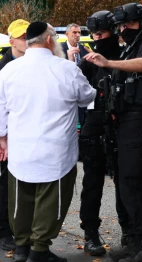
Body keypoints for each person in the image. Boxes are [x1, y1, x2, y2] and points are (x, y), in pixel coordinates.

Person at [0, 21, 95, 262]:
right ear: (50, 40)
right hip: (56, 152)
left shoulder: (8, 71)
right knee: (51, 202)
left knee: (21, 201)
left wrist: (2, 137)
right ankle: (39, 250)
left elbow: (0, 110)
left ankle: (22, 248)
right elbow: (87, 97)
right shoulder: (66, 69)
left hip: (21, 151)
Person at [84, 3, 142, 261]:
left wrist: (110, 62)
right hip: (122, 124)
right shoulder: (130, 46)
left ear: (141, 23)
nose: (123, 29)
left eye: (127, 24)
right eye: (120, 25)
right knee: (125, 184)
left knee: (131, 183)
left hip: (140, 122)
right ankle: (133, 241)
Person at [77, 10, 126, 256]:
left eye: (102, 33)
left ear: (113, 31)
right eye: (94, 33)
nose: (98, 37)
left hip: (122, 123)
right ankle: (90, 233)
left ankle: (128, 231)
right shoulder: (87, 61)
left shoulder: (125, 54)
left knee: (125, 182)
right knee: (92, 182)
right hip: (95, 122)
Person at [0, 18, 30, 253]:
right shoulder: (4, 67)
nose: (26, 41)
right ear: (11, 41)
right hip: (8, 136)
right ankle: (4, 231)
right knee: (5, 186)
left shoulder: (33, 63)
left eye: (29, 35)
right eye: (22, 37)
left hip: (27, 135)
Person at [61, 23, 90, 127]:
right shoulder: (59, 50)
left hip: (82, 94)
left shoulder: (85, 50)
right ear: (67, 34)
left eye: (79, 33)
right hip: (65, 94)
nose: (77, 35)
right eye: (74, 32)